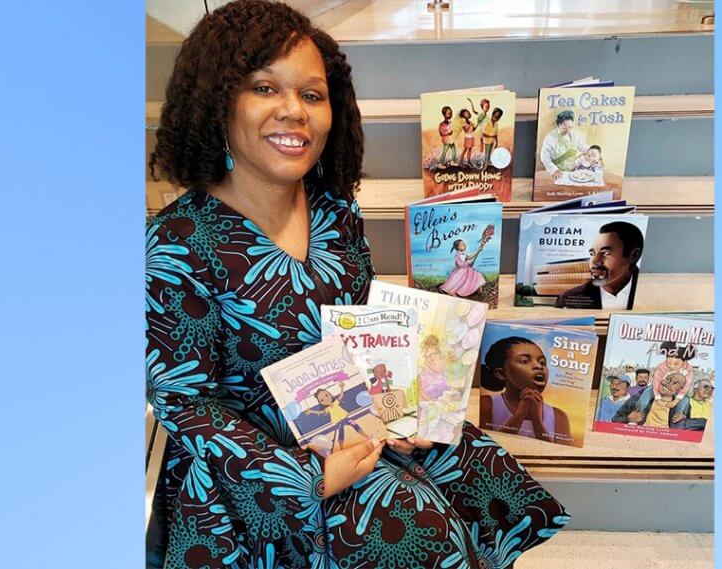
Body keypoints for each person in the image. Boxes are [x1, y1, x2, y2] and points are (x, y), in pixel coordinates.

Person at [146, 3, 568, 567]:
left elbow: (366, 321)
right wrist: (305, 477)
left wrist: (411, 407)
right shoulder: (176, 241)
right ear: (217, 101)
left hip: (359, 412)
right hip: (255, 461)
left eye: (312, 95)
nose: (293, 111)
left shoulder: (333, 208)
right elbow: (184, 400)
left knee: (474, 472)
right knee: (419, 533)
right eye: (265, 88)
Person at [479, 337, 573, 444]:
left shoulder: (559, 416)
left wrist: (537, 421)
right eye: (524, 361)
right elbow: (488, 449)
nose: (539, 366)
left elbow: (560, 457)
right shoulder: (487, 404)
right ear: (501, 373)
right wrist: (519, 415)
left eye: (542, 362)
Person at [555, 220, 644, 309]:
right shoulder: (567, 299)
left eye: (606, 253)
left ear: (633, 256)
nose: (594, 262)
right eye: (592, 254)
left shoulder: (650, 291)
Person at [303, 382, 372, 451]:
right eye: (322, 400)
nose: (326, 399)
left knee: (355, 425)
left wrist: (342, 388)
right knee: (341, 434)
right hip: (339, 422)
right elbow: (320, 412)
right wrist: (311, 411)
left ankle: (367, 436)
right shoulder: (327, 409)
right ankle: (341, 448)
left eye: (326, 395)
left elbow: (341, 396)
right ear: (321, 402)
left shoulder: (335, 402)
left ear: (330, 394)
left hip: (345, 418)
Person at [612, 372, 689, 428]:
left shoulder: (681, 407)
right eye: (668, 379)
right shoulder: (637, 400)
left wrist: (684, 420)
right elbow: (615, 419)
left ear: (680, 390)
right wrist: (628, 419)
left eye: (675, 384)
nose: (668, 383)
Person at [539, 110, 589, 181]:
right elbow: (544, 158)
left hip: (571, 172)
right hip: (555, 173)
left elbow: (583, 147)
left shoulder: (574, 136)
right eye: (565, 128)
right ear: (558, 124)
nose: (568, 130)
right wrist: (554, 170)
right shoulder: (550, 137)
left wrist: (593, 152)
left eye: (570, 127)